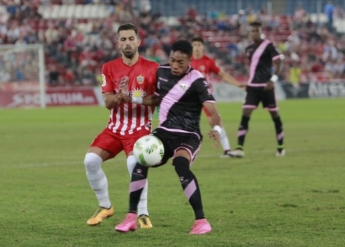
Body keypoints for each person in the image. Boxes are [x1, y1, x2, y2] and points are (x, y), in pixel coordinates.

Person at [114, 40, 221, 235]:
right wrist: (132, 98)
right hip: (164, 132)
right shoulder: (161, 72)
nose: (175, 65)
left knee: (180, 164)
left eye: (180, 62)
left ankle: (201, 221)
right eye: (172, 60)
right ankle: (131, 217)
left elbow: (213, 111)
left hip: (188, 135)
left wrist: (217, 130)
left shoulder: (197, 80)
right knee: (140, 160)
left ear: (189, 60)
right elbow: (156, 98)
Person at [83, 23, 159, 229]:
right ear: (118, 43)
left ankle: (142, 213)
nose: (127, 43)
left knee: (133, 165)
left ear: (138, 41)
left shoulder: (153, 68)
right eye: (123, 39)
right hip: (115, 128)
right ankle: (105, 206)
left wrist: (133, 100)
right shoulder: (109, 67)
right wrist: (119, 97)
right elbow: (107, 102)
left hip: (140, 127)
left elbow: (158, 99)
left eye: (131, 38)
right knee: (90, 161)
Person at [228, 22, 285, 158]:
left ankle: (280, 147)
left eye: (256, 31)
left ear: (260, 32)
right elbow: (254, 68)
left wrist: (273, 80)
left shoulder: (268, 45)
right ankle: (239, 148)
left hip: (266, 87)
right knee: (245, 114)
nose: (254, 33)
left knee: (275, 116)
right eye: (252, 31)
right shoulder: (248, 48)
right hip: (252, 87)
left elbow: (278, 62)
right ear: (249, 33)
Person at [191, 37, 244, 158]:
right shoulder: (188, 61)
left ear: (203, 47)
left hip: (205, 96)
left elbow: (222, 74)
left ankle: (227, 149)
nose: (197, 47)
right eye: (194, 45)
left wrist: (237, 84)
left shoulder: (208, 61)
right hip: (191, 97)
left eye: (199, 45)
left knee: (214, 121)